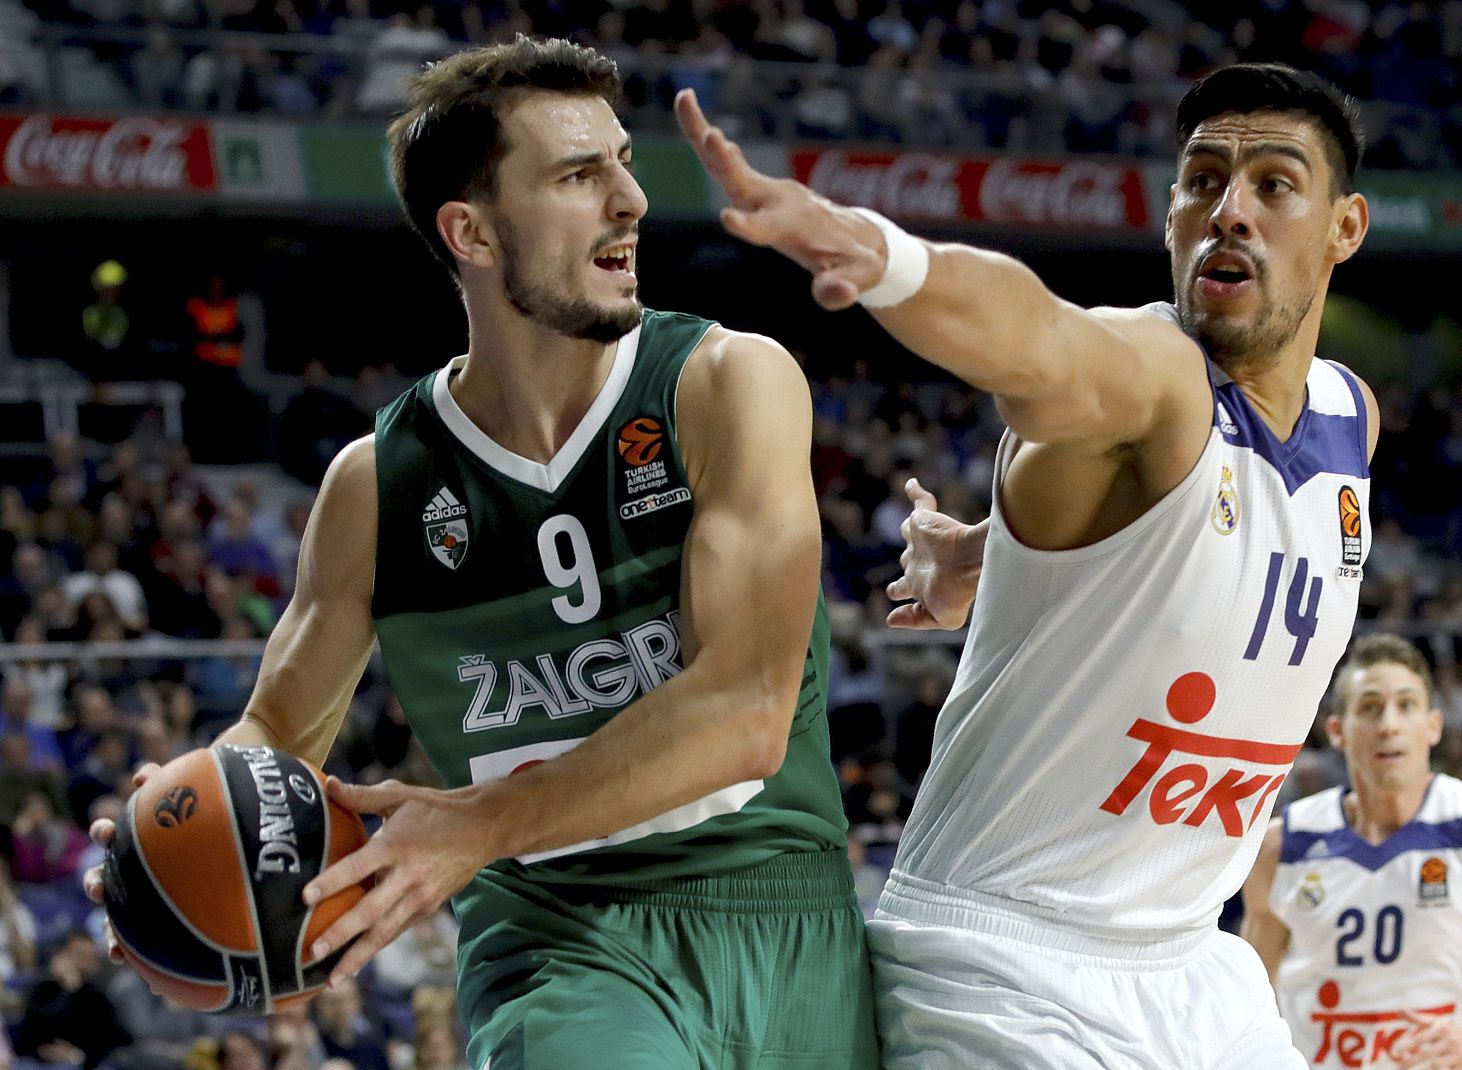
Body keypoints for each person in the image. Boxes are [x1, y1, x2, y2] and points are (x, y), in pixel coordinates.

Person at [85, 37, 874, 1070]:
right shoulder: (378, 485)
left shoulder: (725, 384)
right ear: (473, 231)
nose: (631, 200)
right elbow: (278, 735)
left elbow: (746, 712)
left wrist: (477, 820)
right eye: (578, 175)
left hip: (791, 916)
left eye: (624, 162)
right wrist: (176, 854)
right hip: (557, 940)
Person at [678, 61, 1378, 1068]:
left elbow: (1177, 542)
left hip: (1192, 960)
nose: (1227, 211)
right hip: (1001, 961)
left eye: (1273, 184)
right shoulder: (1150, 373)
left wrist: (995, 552)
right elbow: (1036, 339)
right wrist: (879, 254)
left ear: (1342, 227)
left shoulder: (1350, 415)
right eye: (1201, 180)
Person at [1241, 634, 1462, 1069]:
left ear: (1433, 726)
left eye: (1406, 706)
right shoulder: (1283, 846)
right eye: (1370, 707)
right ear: (1336, 730)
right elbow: (1245, 1008)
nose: (1389, 724)